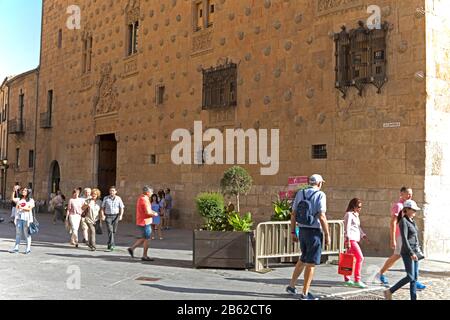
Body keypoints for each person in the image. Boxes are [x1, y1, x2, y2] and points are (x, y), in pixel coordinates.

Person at [286, 174, 330, 300]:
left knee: (303, 258)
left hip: (303, 230)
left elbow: (293, 214)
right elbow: (322, 216)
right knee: (311, 264)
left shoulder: (301, 193)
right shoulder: (321, 195)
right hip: (314, 232)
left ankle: (291, 286)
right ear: (319, 183)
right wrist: (327, 234)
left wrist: (293, 232)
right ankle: (305, 293)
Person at [376, 187, 426, 290]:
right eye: (408, 194)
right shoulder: (398, 206)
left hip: (407, 237)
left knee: (398, 255)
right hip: (400, 236)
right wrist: (392, 238)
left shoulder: (409, 205)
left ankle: (413, 280)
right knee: (398, 255)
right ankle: (381, 274)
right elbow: (393, 222)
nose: (410, 196)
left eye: (411, 194)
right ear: (402, 194)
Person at [384, 200, 423, 300]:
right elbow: (404, 239)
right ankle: (389, 291)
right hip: (407, 252)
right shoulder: (403, 221)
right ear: (407, 209)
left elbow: (414, 236)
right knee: (410, 276)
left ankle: (413, 298)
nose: (415, 212)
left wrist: (418, 250)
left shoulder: (411, 220)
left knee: (414, 278)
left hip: (415, 251)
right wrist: (411, 252)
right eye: (413, 210)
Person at [127, 186, 159, 261]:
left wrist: (153, 212)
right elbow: (147, 212)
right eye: (151, 192)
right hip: (145, 222)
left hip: (143, 221)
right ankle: (144, 255)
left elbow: (148, 210)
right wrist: (155, 214)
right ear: (147, 192)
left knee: (144, 238)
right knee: (147, 239)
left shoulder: (142, 198)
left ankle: (132, 249)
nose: (152, 193)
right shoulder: (144, 199)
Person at [343, 198, 369, 288]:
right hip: (351, 239)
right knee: (360, 258)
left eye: (360, 207)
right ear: (353, 206)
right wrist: (347, 239)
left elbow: (357, 227)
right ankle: (357, 279)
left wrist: (363, 235)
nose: (359, 209)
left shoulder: (356, 215)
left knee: (349, 260)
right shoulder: (349, 214)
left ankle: (347, 279)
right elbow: (347, 227)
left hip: (354, 238)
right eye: (358, 207)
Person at [9, 187, 35, 254]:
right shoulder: (19, 199)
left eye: (25, 190)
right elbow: (12, 199)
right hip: (19, 219)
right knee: (18, 234)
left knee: (27, 234)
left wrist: (22, 208)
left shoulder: (31, 200)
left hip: (27, 219)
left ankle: (28, 248)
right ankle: (16, 248)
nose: (23, 191)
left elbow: (29, 209)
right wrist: (13, 191)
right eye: (23, 190)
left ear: (28, 192)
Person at [100, 186, 125, 252]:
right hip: (108, 216)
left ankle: (109, 242)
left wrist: (121, 215)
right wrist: (102, 215)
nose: (111, 192)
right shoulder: (106, 198)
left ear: (116, 192)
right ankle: (112, 245)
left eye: (113, 191)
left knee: (114, 231)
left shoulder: (119, 198)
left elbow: (121, 207)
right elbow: (102, 208)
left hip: (116, 216)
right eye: (110, 191)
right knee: (110, 230)